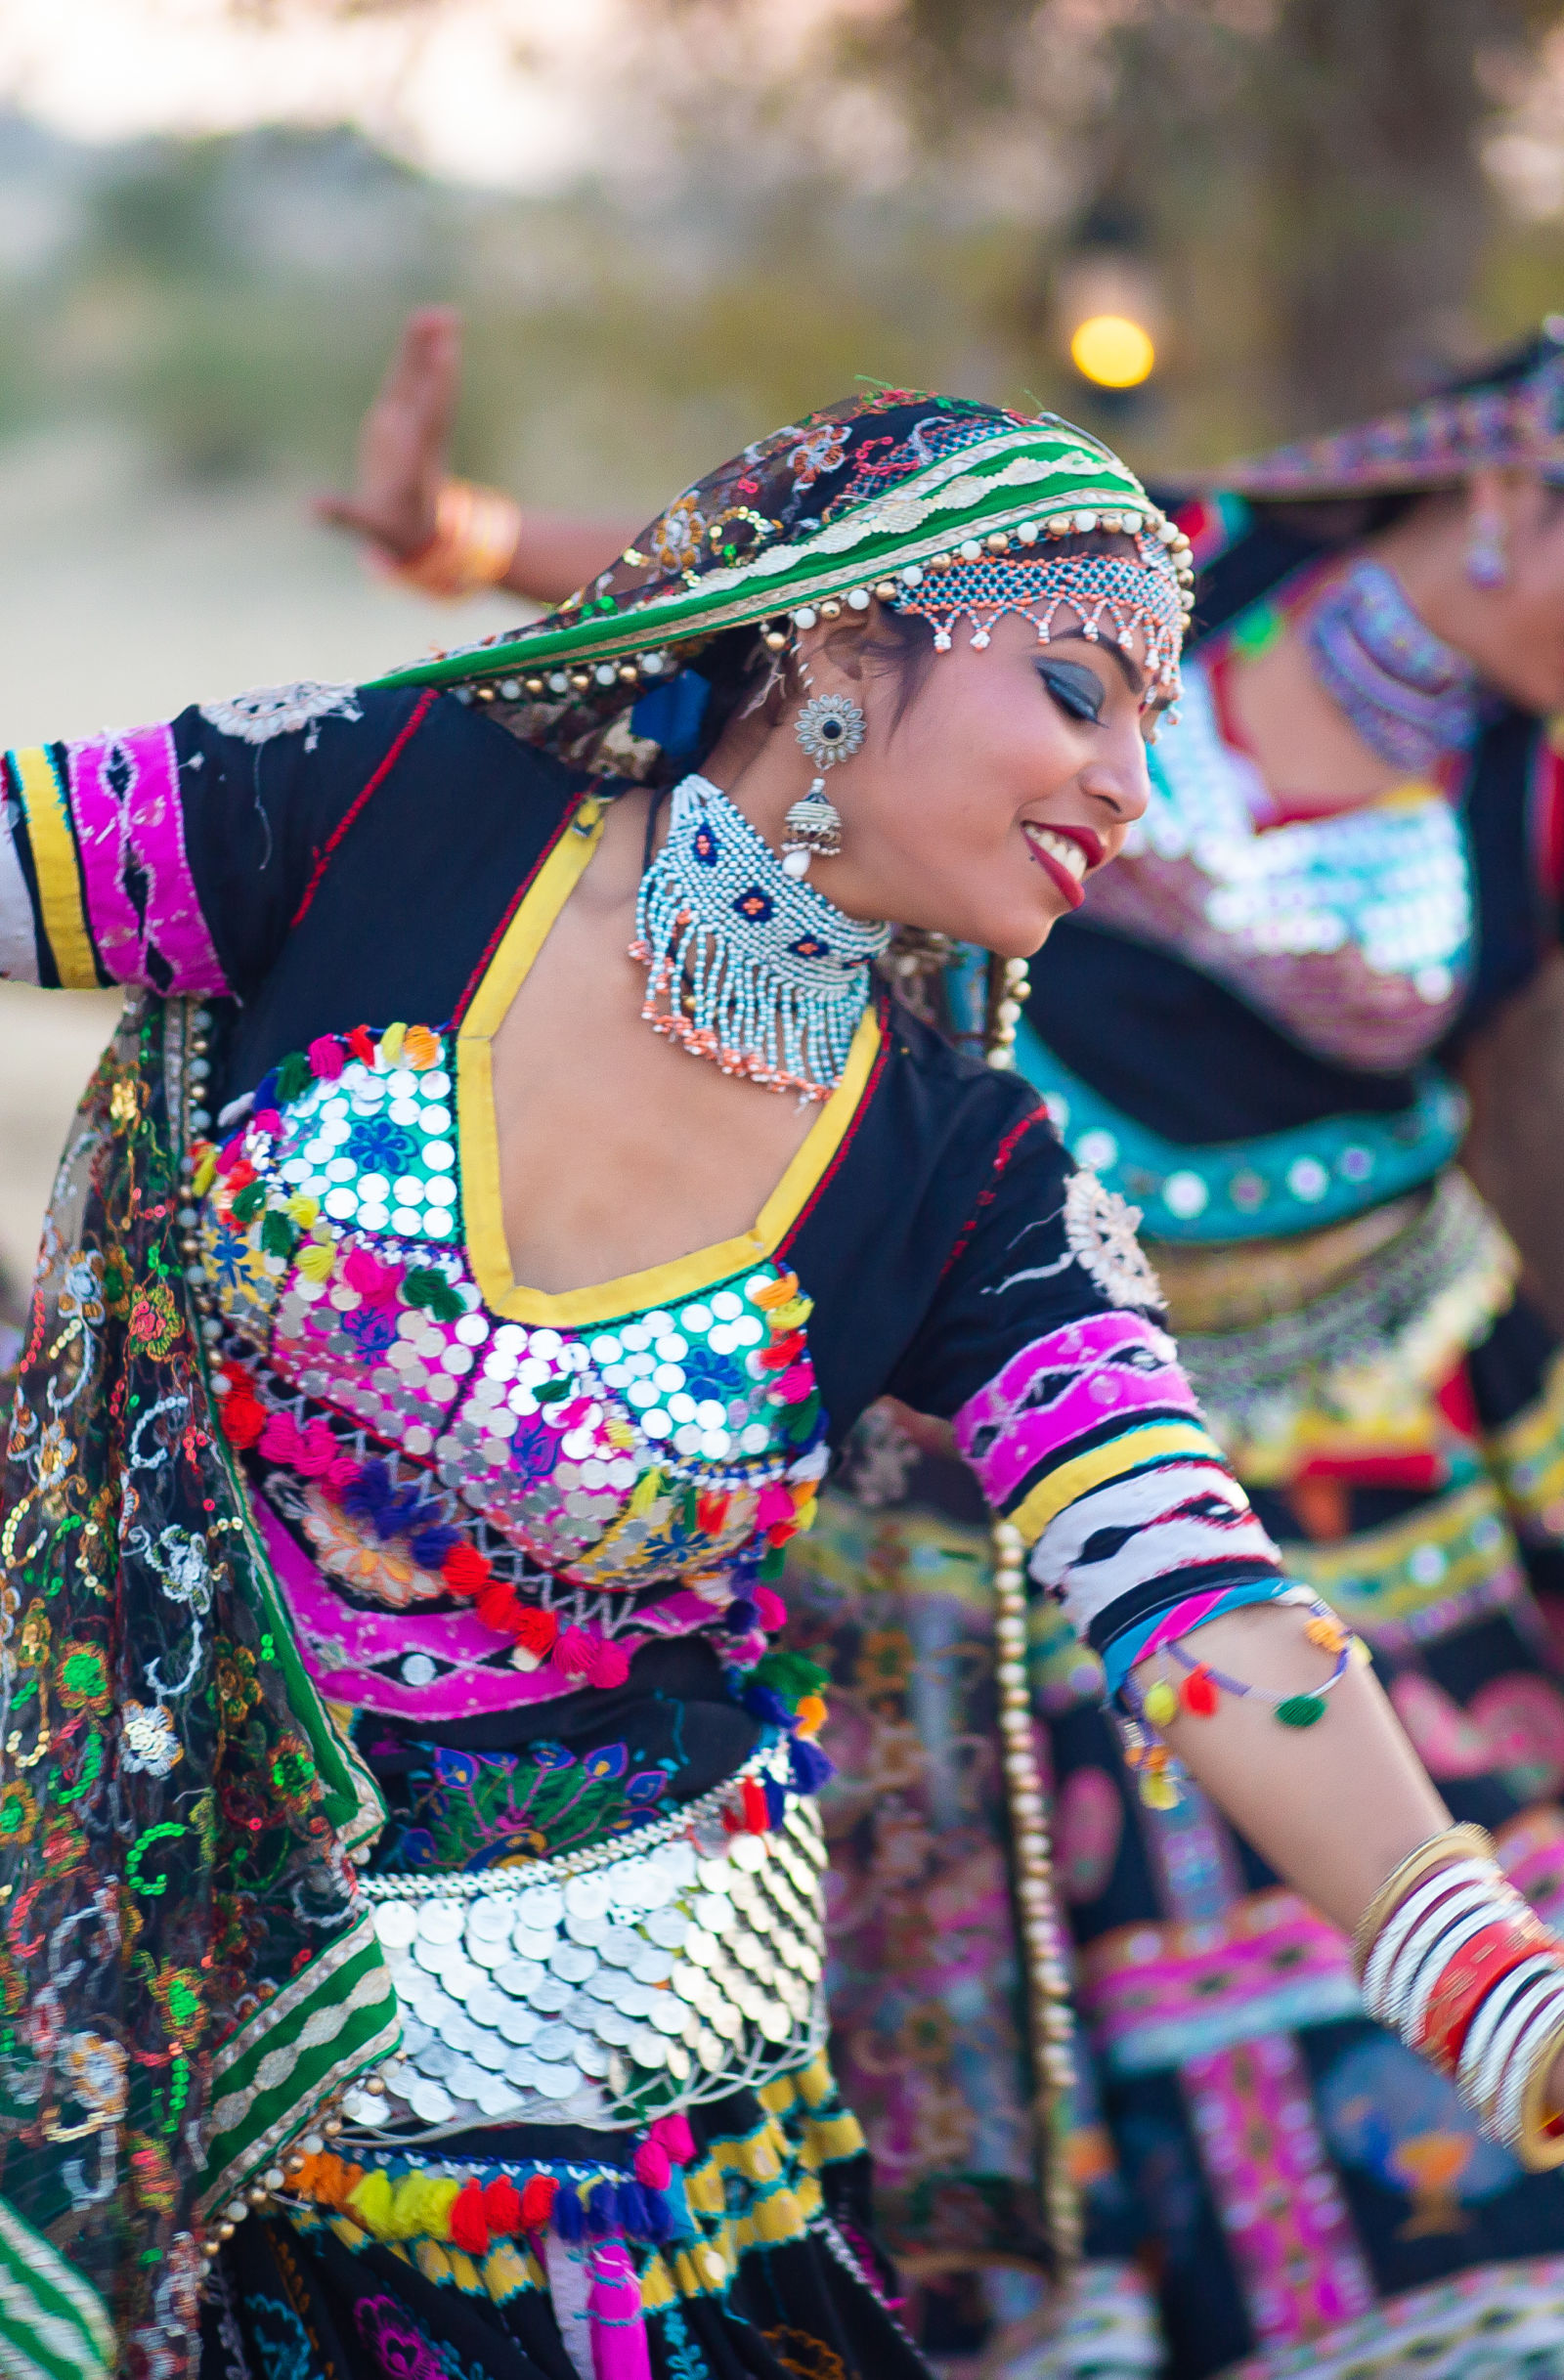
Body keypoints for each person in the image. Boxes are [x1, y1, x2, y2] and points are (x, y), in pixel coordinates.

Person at [2, 389, 1558, 2380]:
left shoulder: (966, 1178)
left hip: (575, 2176)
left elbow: (1200, 1603)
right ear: (835, 643)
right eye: (1077, 692)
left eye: (1150, 728)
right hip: (132, 1992)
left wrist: (1478, 1968)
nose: (1128, 787)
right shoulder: (385, 801)